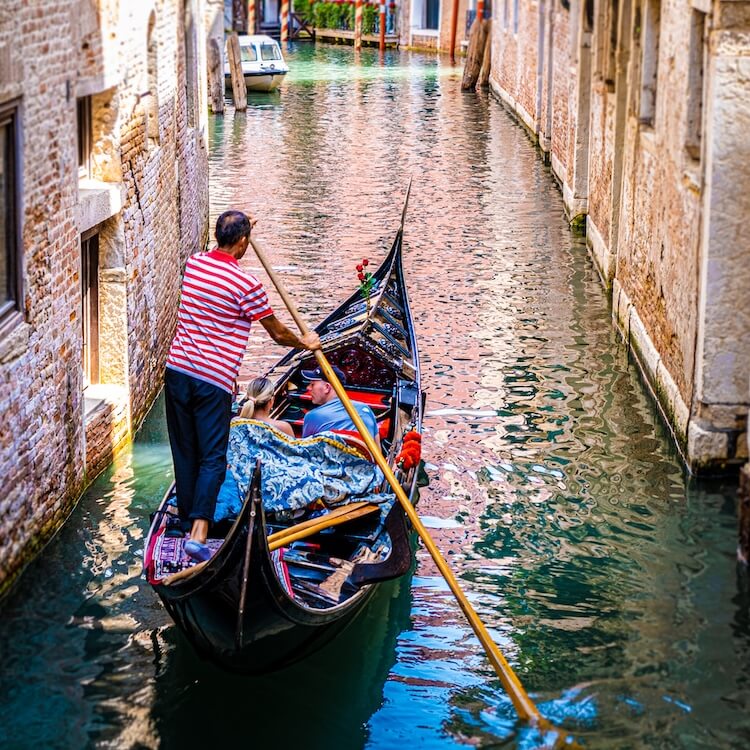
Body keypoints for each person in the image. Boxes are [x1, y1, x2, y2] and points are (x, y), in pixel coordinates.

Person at [165, 210, 320, 562]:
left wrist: (242, 227)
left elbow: (221, 247)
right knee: (213, 458)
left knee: (185, 451)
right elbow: (277, 333)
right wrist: (305, 343)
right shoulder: (246, 285)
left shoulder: (194, 265)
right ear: (244, 242)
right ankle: (199, 532)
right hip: (212, 381)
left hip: (176, 372)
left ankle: (187, 518)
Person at [301, 365, 380, 449]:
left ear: (327, 387)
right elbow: (378, 450)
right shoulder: (366, 409)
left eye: (312, 384)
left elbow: (306, 452)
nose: (308, 388)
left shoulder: (312, 416)